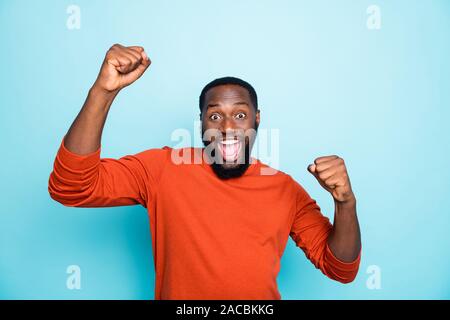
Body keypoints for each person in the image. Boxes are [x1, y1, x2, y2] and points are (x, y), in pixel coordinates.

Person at [48, 44, 361, 300]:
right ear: (201, 124)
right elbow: (71, 186)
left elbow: (341, 269)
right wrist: (102, 92)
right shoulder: (162, 170)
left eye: (240, 114)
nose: (227, 128)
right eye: (214, 116)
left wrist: (345, 203)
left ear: (257, 119)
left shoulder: (284, 189)